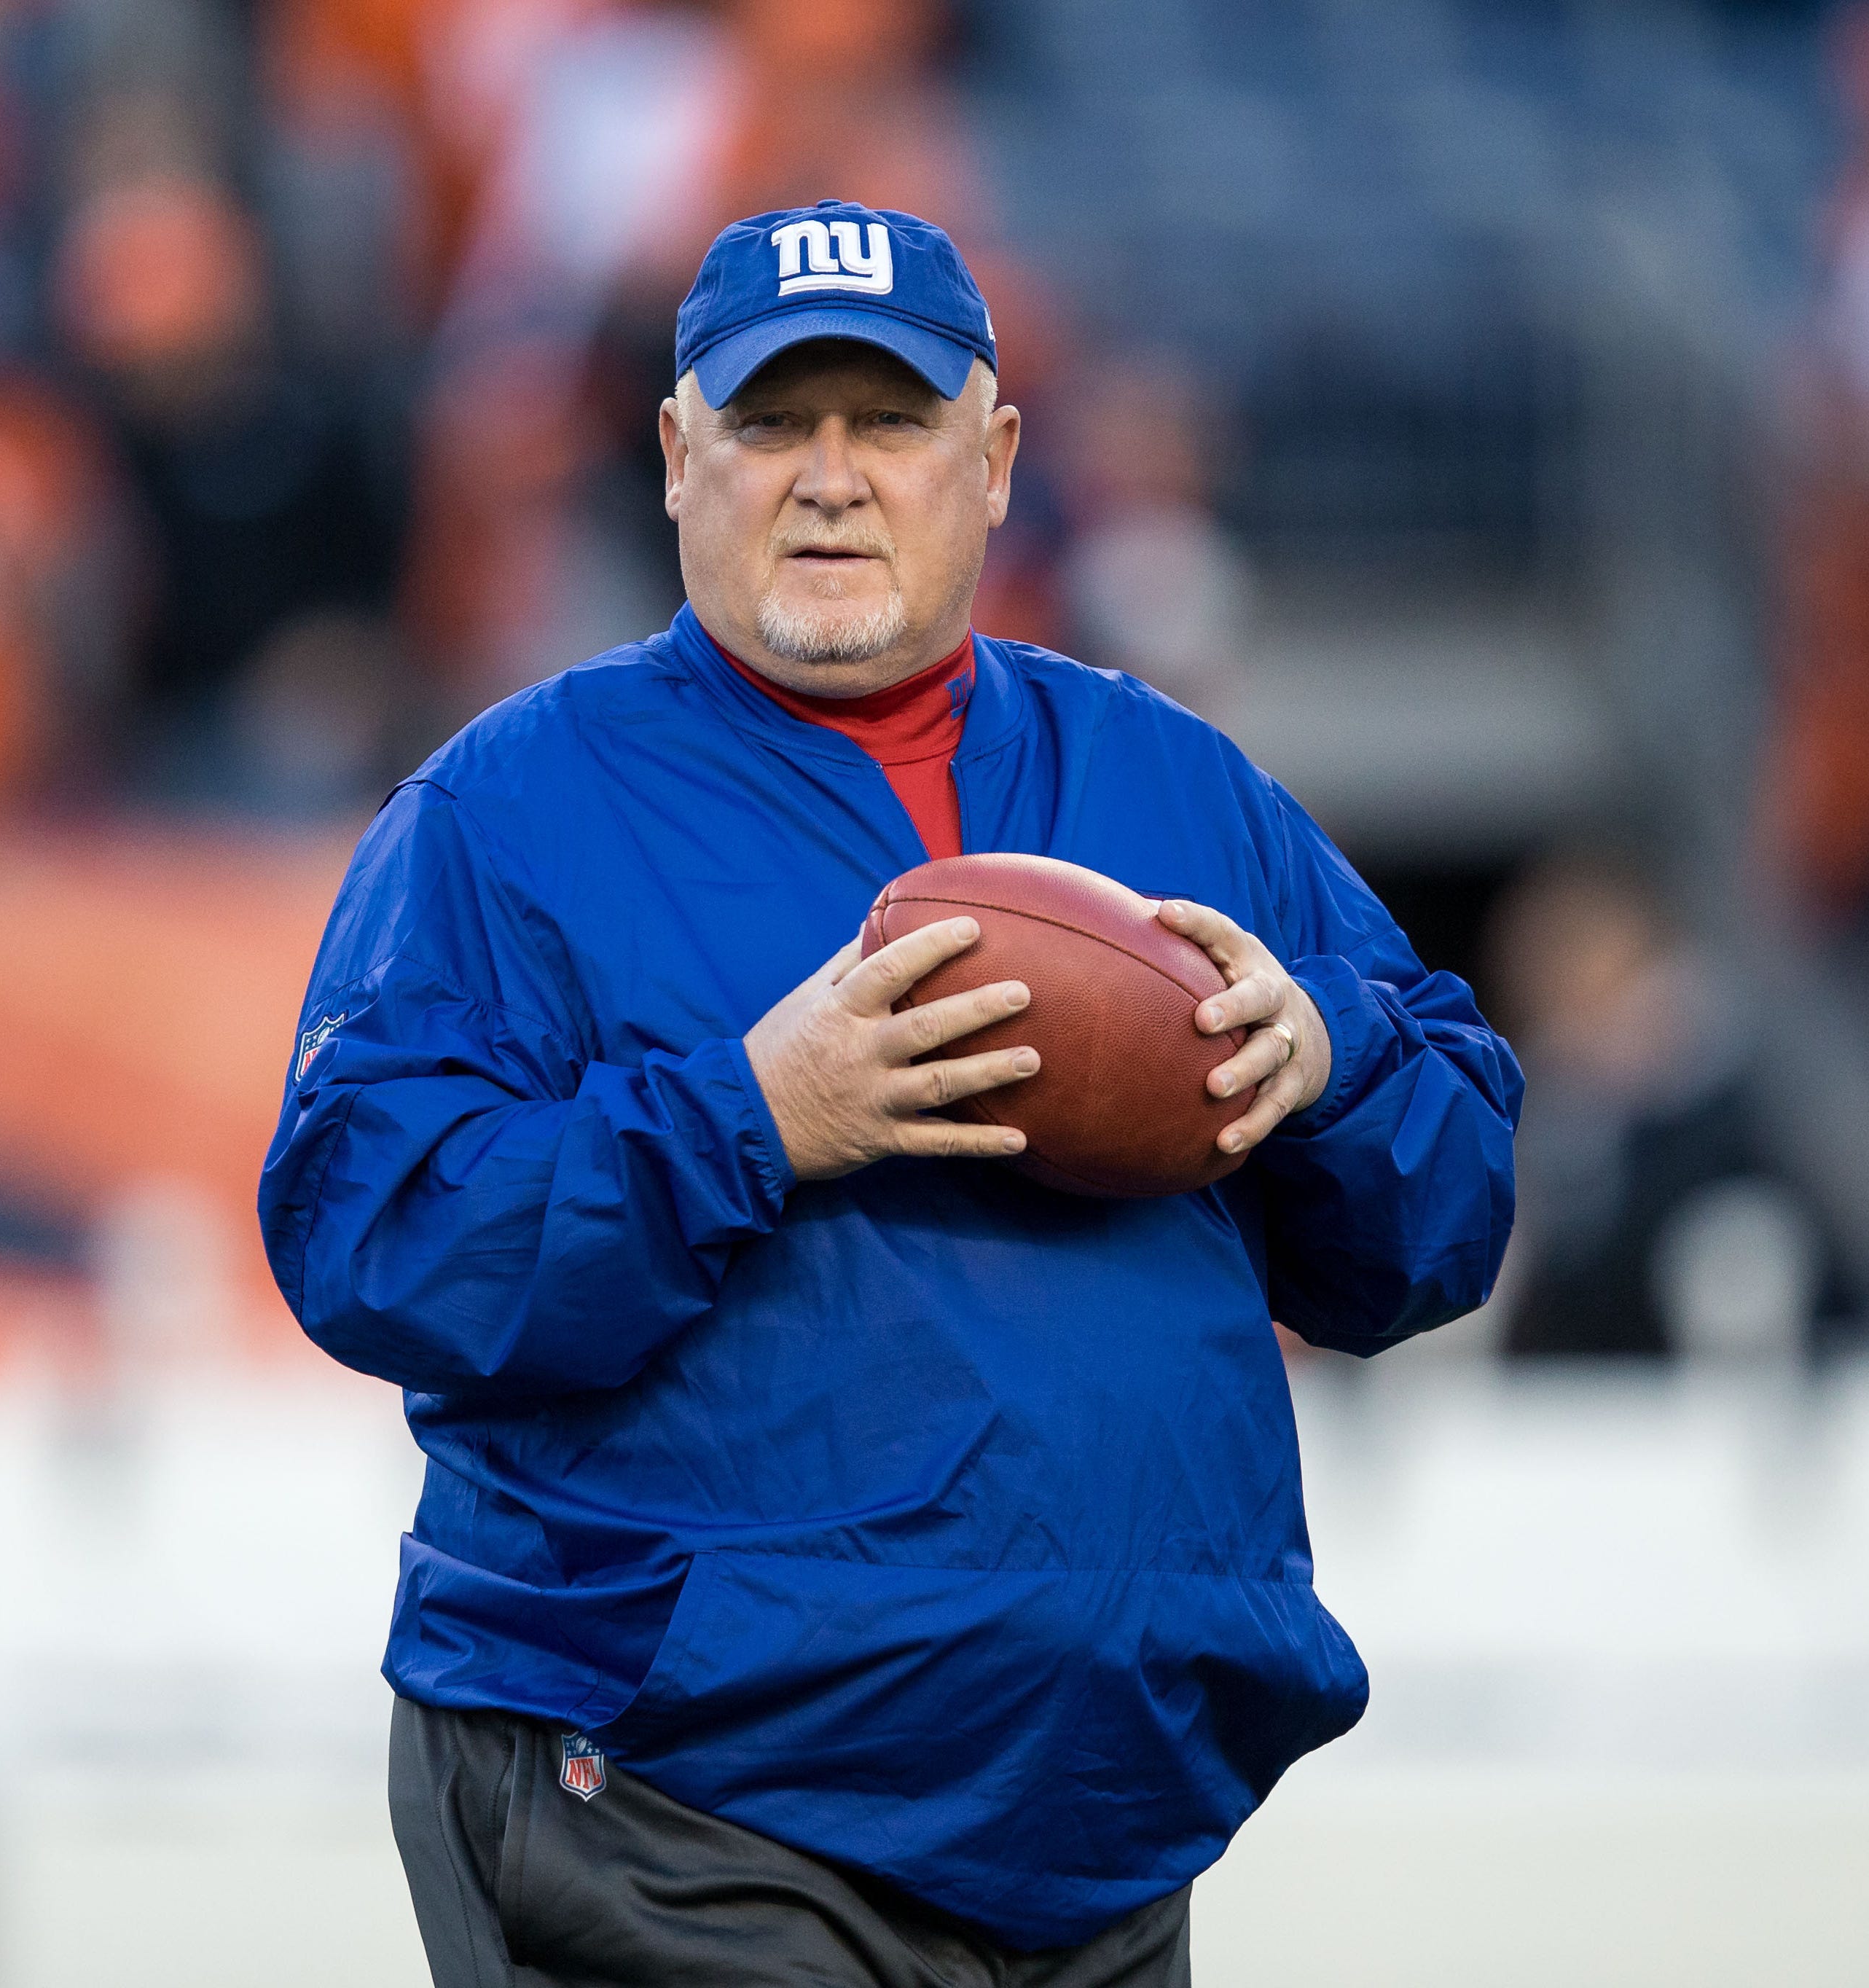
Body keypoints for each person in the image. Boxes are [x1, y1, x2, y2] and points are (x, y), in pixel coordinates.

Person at [260, 200, 1522, 1986]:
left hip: (1094, 1819)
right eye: (773, 422)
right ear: (679, 456)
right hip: (687, 1797)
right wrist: (746, 1117)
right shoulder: (508, 809)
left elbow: (1440, 1208)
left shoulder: (1172, 782)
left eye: (892, 421)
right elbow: (373, 1235)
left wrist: (1322, 1059)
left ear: (994, 459)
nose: (830, 478)